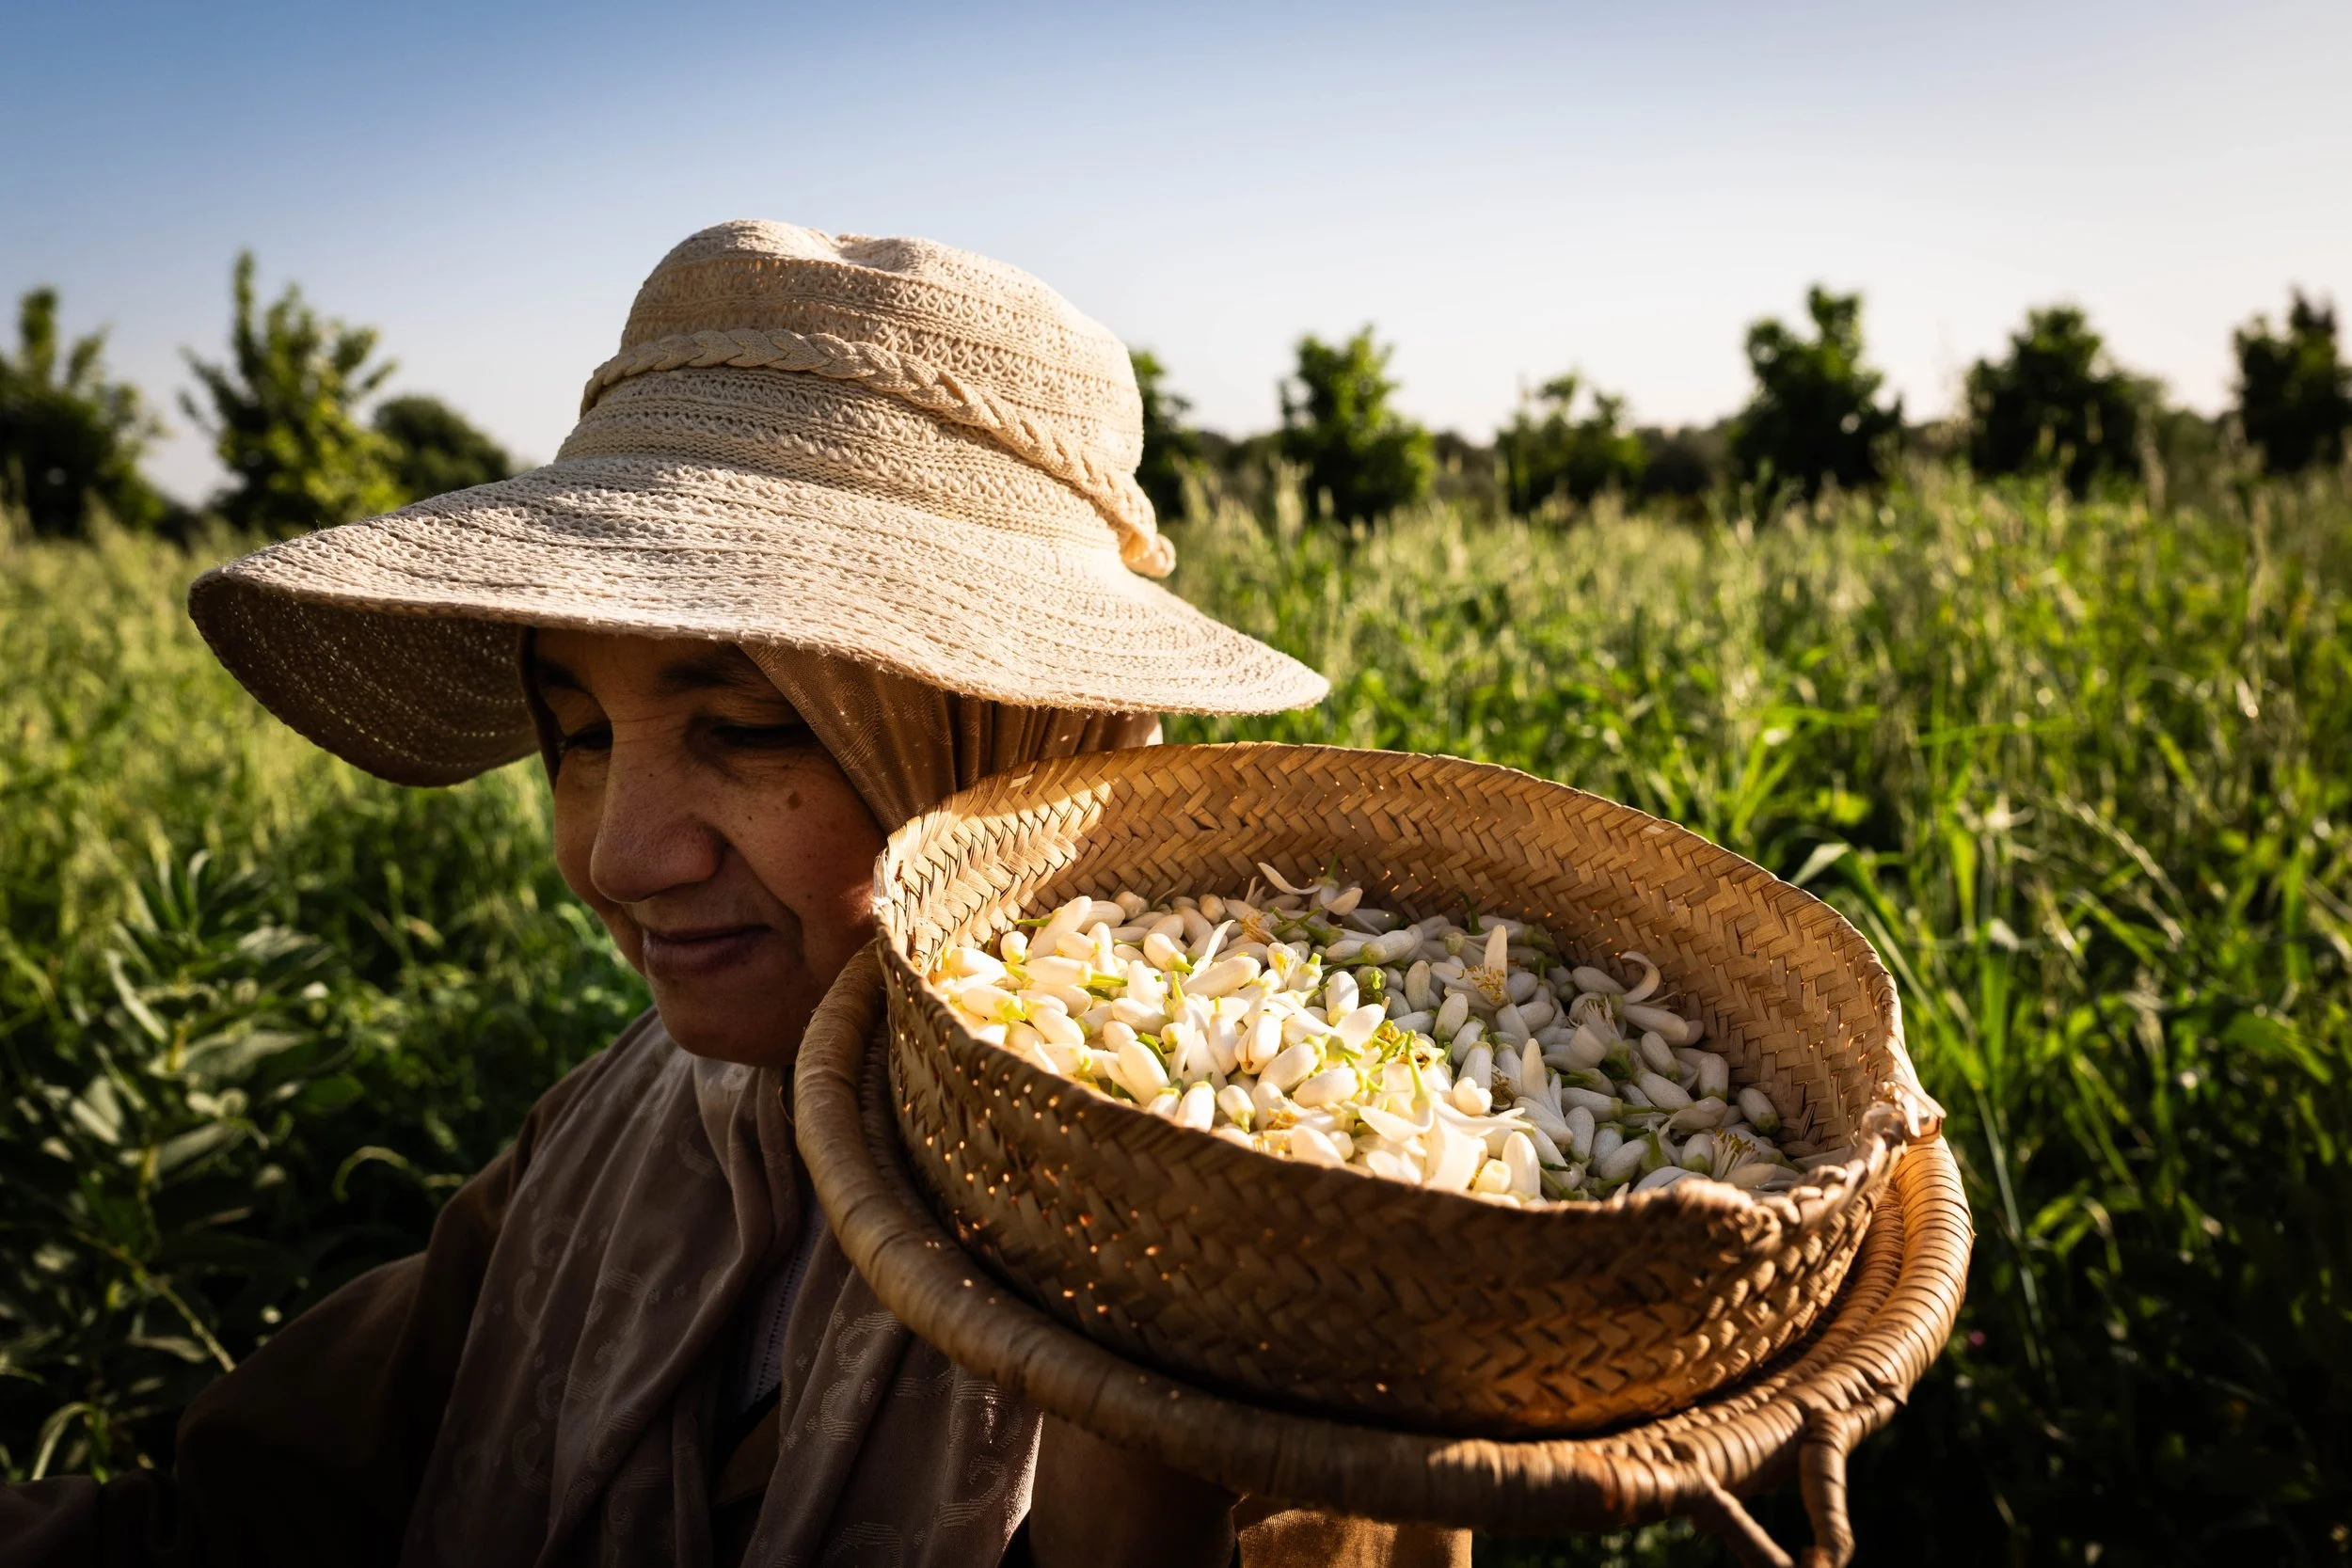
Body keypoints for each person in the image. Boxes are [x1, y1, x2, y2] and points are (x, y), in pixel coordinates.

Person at [0, 221, 1470, 1568]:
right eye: (578, 734)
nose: (618, 858)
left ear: (1014, 742)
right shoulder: (620, 1137)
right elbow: (244, 1523)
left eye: (753, 726)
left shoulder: (1264, 1296)